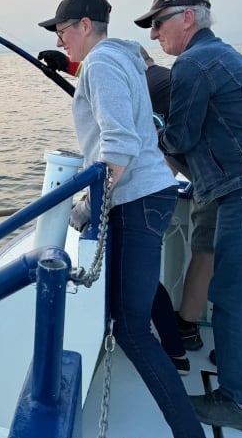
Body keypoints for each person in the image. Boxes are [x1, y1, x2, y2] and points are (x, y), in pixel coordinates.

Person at [135, 0, 242, 435]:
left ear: (188, 17)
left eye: (158, 22)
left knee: (231, 295)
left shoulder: (194, 63)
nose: (154, 34)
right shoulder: (219, 55)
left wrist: (149, 136)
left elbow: (181, 138)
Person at [39, 0, 205, 438]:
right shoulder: (119, 59)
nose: (59, 40)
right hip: (145, 197)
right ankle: (178, 361)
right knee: (128, 309)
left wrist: (88, 202)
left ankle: (189, 430)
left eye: (62, 30)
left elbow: (119, 142)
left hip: (136, 201)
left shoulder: (103, 63)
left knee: (130, 330)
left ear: (85, 25)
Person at [38, 47, 191, 375]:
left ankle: (168, 351)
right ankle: (174, 346)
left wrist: (90, 203)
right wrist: (66, 65)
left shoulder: (140, 79)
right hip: (159, 183)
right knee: (143, 280)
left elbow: (123, 138)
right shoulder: (143, 75)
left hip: (147, 187)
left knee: (141, 292)